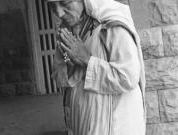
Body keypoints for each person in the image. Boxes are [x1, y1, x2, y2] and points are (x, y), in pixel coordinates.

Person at [47, 0, 146, 135]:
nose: (59, 13)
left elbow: (127, 77)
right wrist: (67, 57)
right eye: (52, 6)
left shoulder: (112, 26)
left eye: (65, 3)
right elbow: (63, 77)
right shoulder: (72, 28)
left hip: (114, 126)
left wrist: (87, 60)